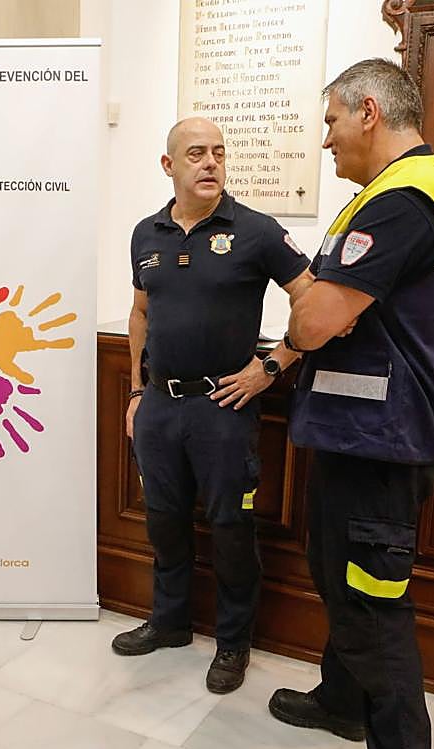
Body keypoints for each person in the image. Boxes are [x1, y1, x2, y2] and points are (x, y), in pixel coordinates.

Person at [267, 60, 434, 749]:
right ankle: (342, 700)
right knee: (336, 576)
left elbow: (318, 316)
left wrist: (308, 311)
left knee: (372, 605)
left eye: (330, 122)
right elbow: (329, 306)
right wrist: (316, 310)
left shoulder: (405, 200)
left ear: (370, 113)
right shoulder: (393, 194)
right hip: (358, 434)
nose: (325, 140)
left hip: (383, 443)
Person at [112, 116, 310, 694]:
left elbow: (313, 300)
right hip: (159, 406)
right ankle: (170, 623)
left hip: (222, 408)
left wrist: (271, 366)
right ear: (169, 166)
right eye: (196, 153)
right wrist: (134, 390)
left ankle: (233, 642)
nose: (211, 163)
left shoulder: (257, 231)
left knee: (229, 528)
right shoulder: (146, 233)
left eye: (219, 153)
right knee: (165, 522)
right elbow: (140, 314)